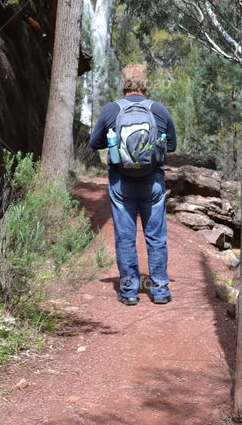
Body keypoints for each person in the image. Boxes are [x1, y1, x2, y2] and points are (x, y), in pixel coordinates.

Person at [89, 63, 177, 305]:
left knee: (125, 237)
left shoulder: (111, 110)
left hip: (121, 183)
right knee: (156, 237)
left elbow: (94, 143)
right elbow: (171, 146)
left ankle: (129, 291)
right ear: (144, 84)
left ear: (124, 83)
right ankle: (159, 290)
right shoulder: (159, 110)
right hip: (153, 184)